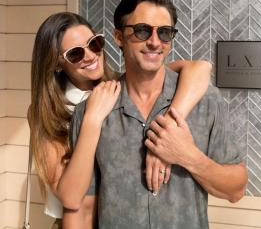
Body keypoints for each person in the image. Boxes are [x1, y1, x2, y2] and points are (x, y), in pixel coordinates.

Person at [70, 0, 248, 228]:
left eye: (164, 33)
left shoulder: (205, 101)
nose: (155, 42)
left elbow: (236, 190)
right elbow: (83, 208)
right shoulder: (91, 112)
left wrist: (188, 156)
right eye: (142, 30)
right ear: (119, 37)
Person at [28, 12, 211, 228]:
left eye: (94, 44)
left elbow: (200, 69)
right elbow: (70, 197)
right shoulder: (46, 112)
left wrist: (169, 125)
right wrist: (92, 120)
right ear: (58, 63)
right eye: (76, 53)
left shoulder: (122, 85)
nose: (90, 56)